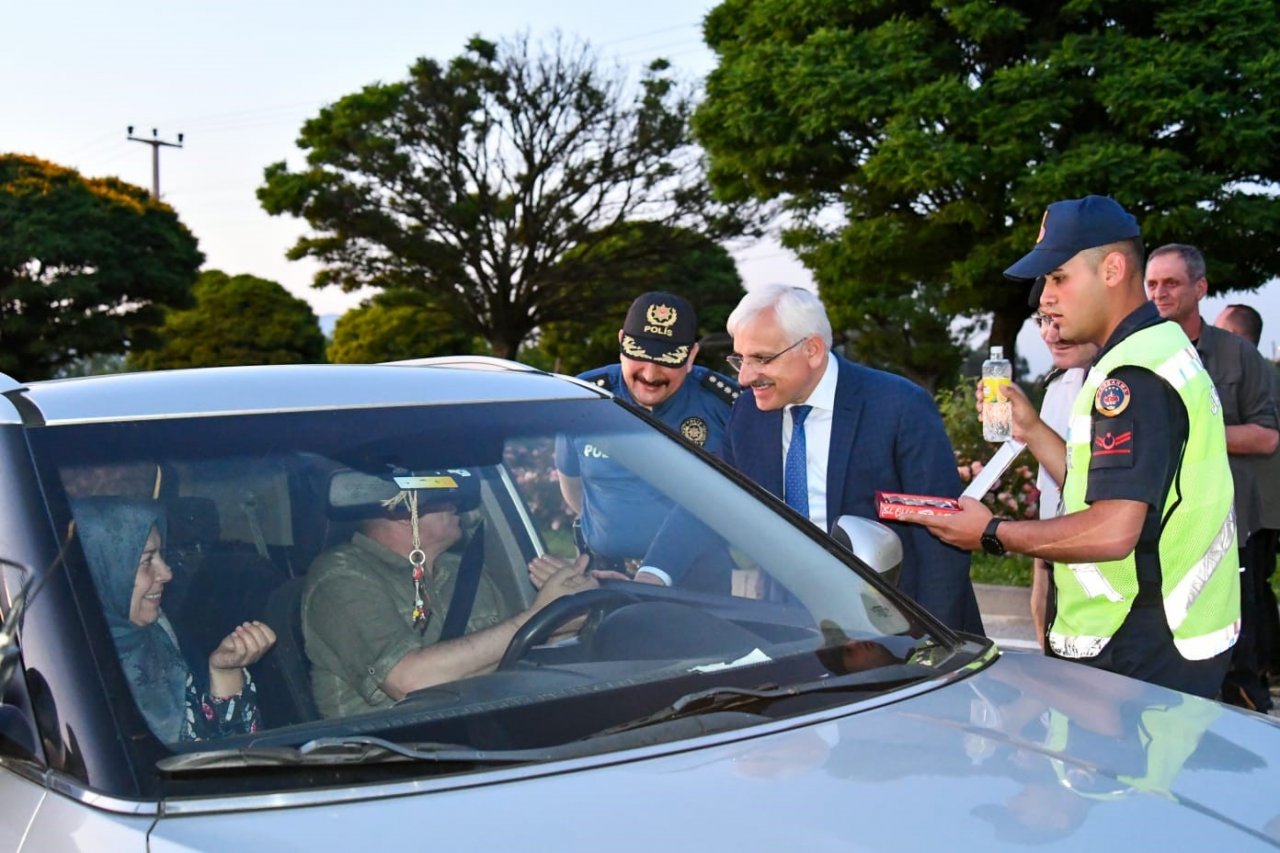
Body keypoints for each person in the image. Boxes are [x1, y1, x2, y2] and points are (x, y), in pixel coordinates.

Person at [903, 195, 1240, 698]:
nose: (1044, 298)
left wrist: (991, 532)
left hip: (1137, 644)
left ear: (1112, 269)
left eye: (1059, 277)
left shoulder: (1129, 377)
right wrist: (1034, 431)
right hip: (1172, 634)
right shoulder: (1159, 347)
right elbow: (1109, 487)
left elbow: (1112, 530)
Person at [637, 284, 984, 634]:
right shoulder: (748, 413)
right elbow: (711, 496)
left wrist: (937, 644)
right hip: (798, 633)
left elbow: (942, 542)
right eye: (740, 358)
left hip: (899, 628)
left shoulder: (899, 407)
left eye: (761, 358)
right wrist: (653, 574)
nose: (744, 377)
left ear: (813, 350)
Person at [303, 471, 595, 718]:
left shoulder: (463, 571)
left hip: (490, 735)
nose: (456, 502)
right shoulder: (340, 577)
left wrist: (564, 618)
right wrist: (537, 614)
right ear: (404, 511)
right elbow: (408, 680)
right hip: (395, 763)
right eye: (441, 491)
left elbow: (511, 654)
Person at [1145, 245, 1279, 711]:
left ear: (1199, 288)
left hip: (1230, 526)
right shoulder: (1139, 351)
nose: (1159, 293)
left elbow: (1266, 438)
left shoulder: (1237, 355)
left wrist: (1194, 432)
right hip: (1159, 527)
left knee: (1237, 652)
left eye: (1171, 283)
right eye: (1153, 283)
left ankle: (1250, 742)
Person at [550, 291, 739, 589]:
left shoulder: (722, 404)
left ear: (691, 355)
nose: (650, 374)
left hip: (698, 583)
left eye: (668, 359)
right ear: (622, 342)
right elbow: (573, 488)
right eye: (639, 353)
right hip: (604, 577)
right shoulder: (584, 399)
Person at [74, 497, 276, 741]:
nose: (167, 573)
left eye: (162, 556)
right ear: (103, 570)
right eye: (147, 561)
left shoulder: (164, 636)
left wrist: (225, 672)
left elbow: (233, 756)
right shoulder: (73, 669)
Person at [1214, 302, 1280, 706]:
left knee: (1249, 593)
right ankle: (1264, 669)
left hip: (1255, 508)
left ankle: (1251, 686)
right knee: (1257, 589)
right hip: (1261, 508)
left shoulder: (1251, 371)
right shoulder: (1266, 372)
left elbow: (1264, 438)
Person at [1028, 280, 1099, 649]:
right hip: (1057, 562)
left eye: (1059, 319)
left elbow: (1085, 486)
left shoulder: (1120, 386)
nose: (1051, 332)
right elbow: (1051, 495)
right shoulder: (1059, 383)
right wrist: (1040, 578)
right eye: (1042, 319)